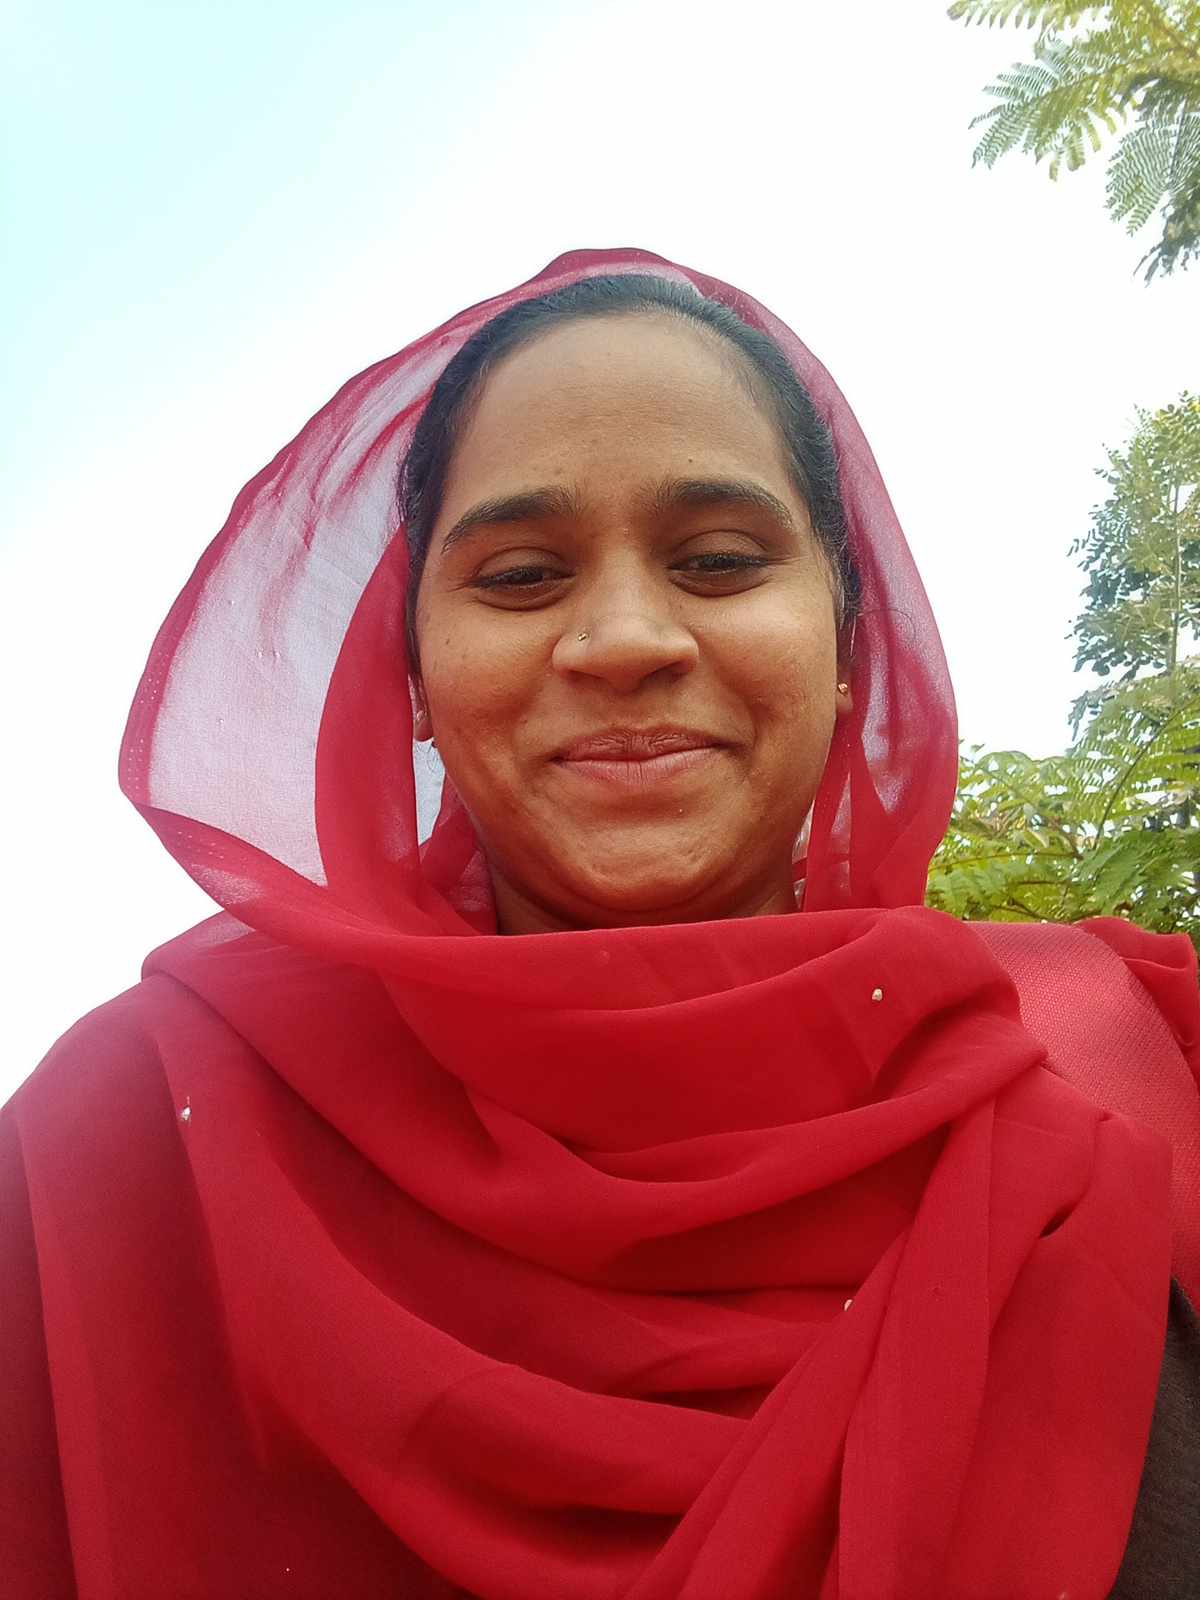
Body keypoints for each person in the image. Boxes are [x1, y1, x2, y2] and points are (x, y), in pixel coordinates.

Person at [3, 248, 1197, 1599]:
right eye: (520, 576)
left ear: (849, 642)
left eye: (721, 560)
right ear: (411, 676)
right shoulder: (121, 1151)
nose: (625, 640)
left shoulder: (1141, 1052)